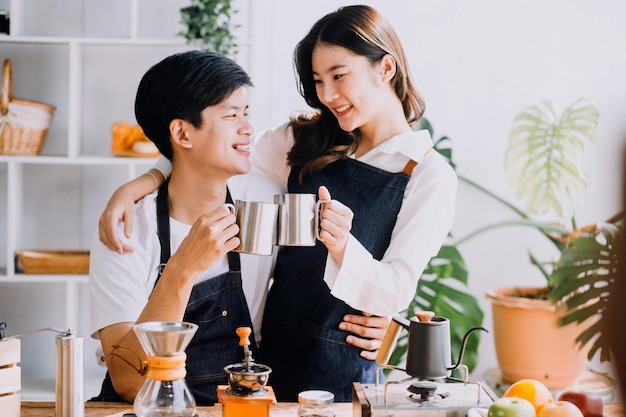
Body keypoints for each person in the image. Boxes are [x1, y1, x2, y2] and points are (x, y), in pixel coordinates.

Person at [97, 5, 457, 402]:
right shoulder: (301, 140)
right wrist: (140, 185)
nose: (327, 95)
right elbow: (207, 154)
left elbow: (396, 288)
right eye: (318, 81)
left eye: (339, 76)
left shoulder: (427, 174)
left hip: (340, 375)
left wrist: (345, 251)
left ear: (385, 68)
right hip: (266, 365)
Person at [89, 50, 285, 405]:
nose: (248, 128)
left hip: (237, 404)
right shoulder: (126, 230)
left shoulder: (266, 199)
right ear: (181, 133)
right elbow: (128, 380)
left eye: (246, 113)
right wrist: (183, 268)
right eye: (231, 115)